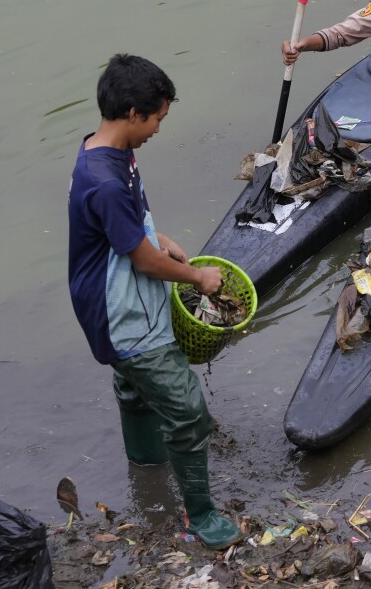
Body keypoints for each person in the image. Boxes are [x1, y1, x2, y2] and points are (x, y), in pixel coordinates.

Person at [66, 54, 240, 550]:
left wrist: (155, 235)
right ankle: (201, 517)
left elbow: (124, 229)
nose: (159, 129)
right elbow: (143, 263)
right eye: (158, 118)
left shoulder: (103, 153)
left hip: (110, 299)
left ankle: (146, 464)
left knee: (134, 389)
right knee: (187, 412)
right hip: (124, 315)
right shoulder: (105, 181)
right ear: (133, 113)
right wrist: (196, 276)